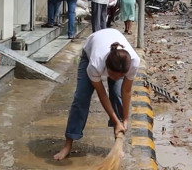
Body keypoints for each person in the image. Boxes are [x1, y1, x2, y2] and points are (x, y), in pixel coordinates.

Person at [53, 29, 140, 160]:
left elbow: (126, 91)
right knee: (81, 98)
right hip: (90, 52)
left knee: (117, 95)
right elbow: (102, 94)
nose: (116, 79)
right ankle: (68, 144)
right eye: (113, 76)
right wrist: (116, 120)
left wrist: (125, 119)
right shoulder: (95, 64)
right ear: (106, 68)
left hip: (115, 52)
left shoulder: (133, 62)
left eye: (121, 76)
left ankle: (118, 143)